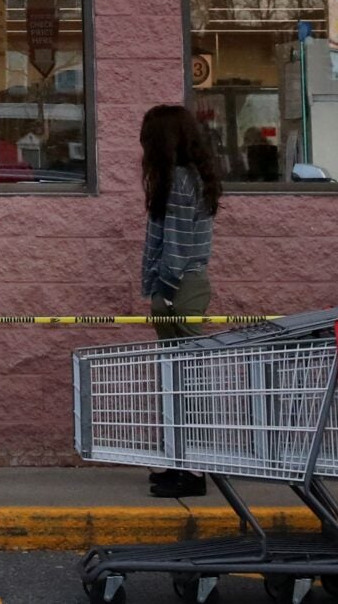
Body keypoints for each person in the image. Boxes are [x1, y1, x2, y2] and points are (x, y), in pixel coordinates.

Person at [139, 104, 221, 498]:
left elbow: (176, 245)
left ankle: (193, 471)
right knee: (179, 382)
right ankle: (180, 463)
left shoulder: (179, 182)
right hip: (184, 284)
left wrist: (164, 292)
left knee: (185, 382)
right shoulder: (191, 178)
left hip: (179, 288)